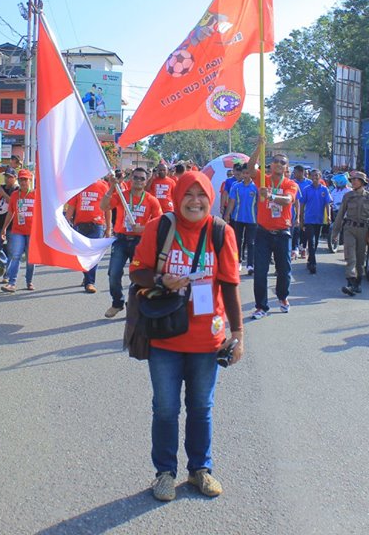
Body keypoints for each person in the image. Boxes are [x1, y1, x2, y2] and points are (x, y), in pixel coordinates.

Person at [130, 171, 243, 502]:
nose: (195, 201)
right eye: (188, 195)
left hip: (207, 339)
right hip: (165, 335)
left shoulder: (221, 232)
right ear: (177, 197)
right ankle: (165, 473)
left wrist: (238, 333)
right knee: (165, 408)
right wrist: (162, 280)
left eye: (201, 195)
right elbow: (137, 271)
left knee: (201, 407)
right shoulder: (160, 228)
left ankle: (200, 470)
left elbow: (230, 285)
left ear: (210, 198)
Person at [246, 137, 298, 319]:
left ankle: (282, 297)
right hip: (263, 233)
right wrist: (259, 147)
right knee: (260, 271)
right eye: (275, 161)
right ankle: (261, 307)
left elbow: (288, 200)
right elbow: (249, 167)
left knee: (284, 271)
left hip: (282, 233)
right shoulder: (263, 179)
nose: (278, 164)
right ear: (271, 164)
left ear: (286, 167)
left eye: (282, 162)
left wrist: (270, 197)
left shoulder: (290, 184)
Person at [100, 167, 162, 317]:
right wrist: (112, 187)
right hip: (121, 240)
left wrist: (143, 228)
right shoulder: (122, 196)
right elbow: (103, 206)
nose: (138, 181)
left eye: (142, 178)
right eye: (135, 177)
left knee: (138, 276)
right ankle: (117, 303)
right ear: (131, 179)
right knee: (114, 274)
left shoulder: (151, 200)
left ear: (146, 181)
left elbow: (159, 224)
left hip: (140, 242)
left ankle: (134, 304)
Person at [333, 170, 369, 295]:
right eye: (352, 180)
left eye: (356, 180)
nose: (353, 182)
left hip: (363, 231)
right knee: (351, 257)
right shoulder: (348, 196)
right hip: (349, 229)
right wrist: (335, 233)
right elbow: (340, 215)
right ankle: (350, 283)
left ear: (362, 182)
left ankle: (357, 284)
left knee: (360, 260)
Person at [67, 177, 110, 293]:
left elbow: (107, 208)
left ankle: (90, 282)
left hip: (97, 225)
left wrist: (108, 228)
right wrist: (65, 223)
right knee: (83, 255)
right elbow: (72, 206)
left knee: (93, 255)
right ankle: (87, 276)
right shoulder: (78, 185)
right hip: (80, 225)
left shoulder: (103, 186)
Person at [0, 169, 37, 293]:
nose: (23, 182)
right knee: (16, 256)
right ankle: (11, 283)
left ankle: (29, 281)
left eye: (25, 179)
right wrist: (4, 228)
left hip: (32, 232)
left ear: (29, 180)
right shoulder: (15, 195)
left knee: (31, 258)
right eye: (21, 179)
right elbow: (11, 212)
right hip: (18, 231)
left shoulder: (36, 195)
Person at [224, 166, 258, 275]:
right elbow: (231, 202)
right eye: (244, 173)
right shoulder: (236, 186)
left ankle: (250, 265)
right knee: (238, 241)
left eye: (248, 173)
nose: (245, 175)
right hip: (238, 218)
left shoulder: (256, 187)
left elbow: (260, 204)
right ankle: (238, 261)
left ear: (251, 174)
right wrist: (227, 215)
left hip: (252, 219)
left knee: (251, 242)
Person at [298, 169, 333, 274]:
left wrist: (329, 216)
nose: (315, 177)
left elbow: (327, 203)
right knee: (311, 241)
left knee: (316, 242)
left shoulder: (324, 189)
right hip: (309, 219)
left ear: (320, 177)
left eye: (317, 175)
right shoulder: (306, 189)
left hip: (319, 219)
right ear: (310, 177)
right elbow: (302, 204)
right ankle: (313, 264)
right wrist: (301, 218)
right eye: (313, 175)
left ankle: (310, 259)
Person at [291, 165, 312, 260]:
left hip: (306, 210)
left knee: (304, 230)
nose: (294, 174)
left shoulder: (309, 183)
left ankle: (303, 247)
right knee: (295, 229)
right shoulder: (293, 183)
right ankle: (295, 249)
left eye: (295, 172)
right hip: (296, 209)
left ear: (301, 172)